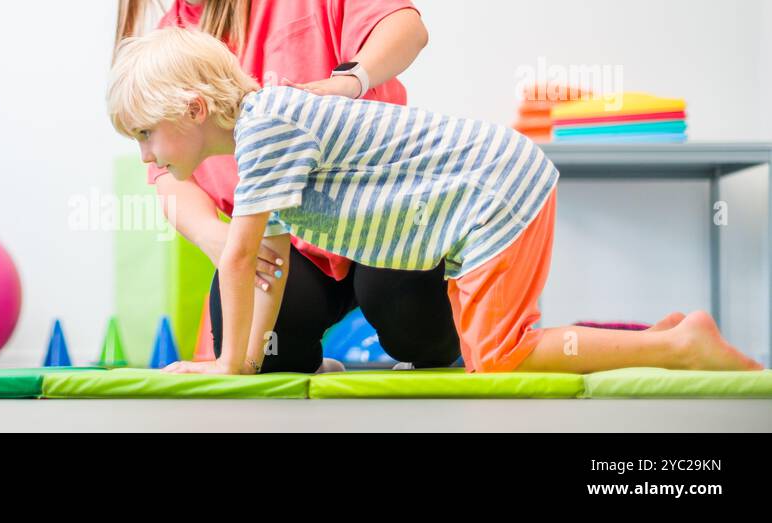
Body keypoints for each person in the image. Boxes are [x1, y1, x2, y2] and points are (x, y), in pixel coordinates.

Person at [107, 28, 763, 374]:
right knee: (498, 353)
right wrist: (247, 363)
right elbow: (270, 266)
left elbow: (241, 256)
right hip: (486, 189)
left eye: (145, 133)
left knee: (500, 361)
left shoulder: (266, 125)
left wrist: (224, 368)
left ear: (194, 109)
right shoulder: (263, 140)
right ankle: (668, 337)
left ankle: (680, 344)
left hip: (495, 188)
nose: (145, 156)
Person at [115, 0, 460, 372]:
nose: (145, 156)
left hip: (376, 215)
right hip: (293, 238)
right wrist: (215, 237)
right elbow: (169, 177)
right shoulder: (167, 47)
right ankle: (305, 360)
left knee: (407, 316)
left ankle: (444, 340)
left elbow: (406, 28)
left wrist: (347, 81)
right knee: (264, 351)